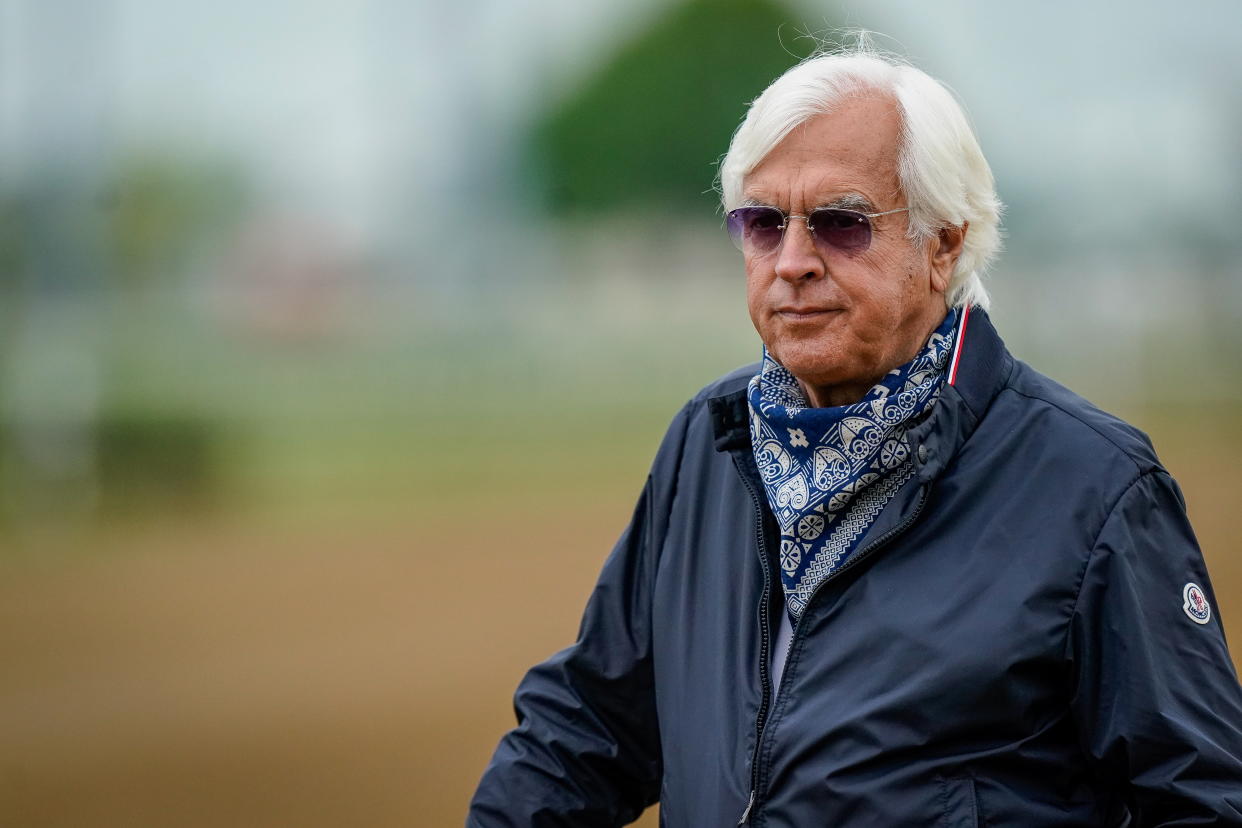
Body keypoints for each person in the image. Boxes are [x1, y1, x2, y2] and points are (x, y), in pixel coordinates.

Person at [468, 44, 1242, 827]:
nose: (793, 261)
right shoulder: (710, 442)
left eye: (841, 223)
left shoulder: (1095, 487)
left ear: (943, 244)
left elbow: (1202, 798)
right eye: (764, 224)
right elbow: (592, 726)